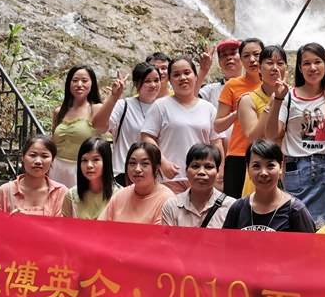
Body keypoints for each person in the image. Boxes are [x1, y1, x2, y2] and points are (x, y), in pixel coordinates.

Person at [275, 43, 325, 227]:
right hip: (296, 167)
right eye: (306, 63)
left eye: (317, 62)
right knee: (297, 224)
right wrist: (277, 99)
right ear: (300, 68)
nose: (312, 68)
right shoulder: (288, 96)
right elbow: (274, 133)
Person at [141, 56, 223, 193]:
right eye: (176, 74)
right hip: (170, 179)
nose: (182, 78)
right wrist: (162, 162)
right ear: (169, 80)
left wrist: (220, 171)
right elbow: (147, 137)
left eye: (187, 72)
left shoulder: (208, 108)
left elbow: (216, 142)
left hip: (203, 177)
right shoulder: (160, 106)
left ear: (195, 76)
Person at [221, 140, 316, 232]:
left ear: (281, 167)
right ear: (247, 168)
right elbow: (225, 242)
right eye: (256, 166)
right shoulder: (237, 208)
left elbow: (309, 243)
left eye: (270, 165)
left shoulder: (296, 211)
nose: (263, 173)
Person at [50, 66, 118, 188]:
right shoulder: (59, 112)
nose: (79, 84)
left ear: (92, 84)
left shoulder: (96, 109)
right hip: (56, 168)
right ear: (69, 83)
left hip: (83, 169)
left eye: (84, 80)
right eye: (75, 80)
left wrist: (113, 96)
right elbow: (52, 143)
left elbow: (106, 129)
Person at [214, 38, 265, 197]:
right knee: (235, 205)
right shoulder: (232, 85)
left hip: (267, 153)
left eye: (256, 54)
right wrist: (238, 113)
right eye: (246, 56)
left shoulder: (273, 84)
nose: (252, 60)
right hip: (238, 154)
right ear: (241, 60)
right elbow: (218, 126)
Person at [236, 45, 289, 196]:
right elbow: (254, 138)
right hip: (261, 169)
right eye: (269, 63)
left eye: (280, 63)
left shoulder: (294, 96)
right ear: (259, 68)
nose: (275, 68)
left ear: (286, 68)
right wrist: (272, 104)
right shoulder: (248, 100)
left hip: (290, 169)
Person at [108, 63, 161, 186]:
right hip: (123, 174)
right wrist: (113, 98)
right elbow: (102, 126)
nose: (153, 85)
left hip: (154, 176)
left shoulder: (164, 107)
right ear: (136, 84)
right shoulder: (123, 106)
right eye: (147, 81)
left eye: (156, 80)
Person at [161, 143, 234, 228]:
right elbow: (167, 237)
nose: (201, 172)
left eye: (208, 167)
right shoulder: (171, 206)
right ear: (186, 171)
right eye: (195, 166)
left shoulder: (231, 207)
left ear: (217, 172)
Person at [0, 134, 68, 216]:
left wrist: (28, 221)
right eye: (33, 155)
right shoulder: (5, 191)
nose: (38, 161)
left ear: (52, 160)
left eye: (44, 156)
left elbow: (64, 223)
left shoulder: (60, 192)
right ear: (23, 157)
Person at [100, 142, 171, 224]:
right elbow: (100, 226)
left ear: (157, 168)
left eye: (145, 163)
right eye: (132, 163)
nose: (137, 169)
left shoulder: (167, 200)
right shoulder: (120, 195)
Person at [65, 137, 113, 219]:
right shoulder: (71, 195)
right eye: (84, 160)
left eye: (96, 159)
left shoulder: (120, 195)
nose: (89, 165)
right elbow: (64, 225)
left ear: (106, 162)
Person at [199, 38, 242, 107]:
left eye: (233, 53)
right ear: (219, 62)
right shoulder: (211, 90)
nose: (229, 57)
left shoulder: (256, 86)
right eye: (224, 55)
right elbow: (188, 101)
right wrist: (203, 70)